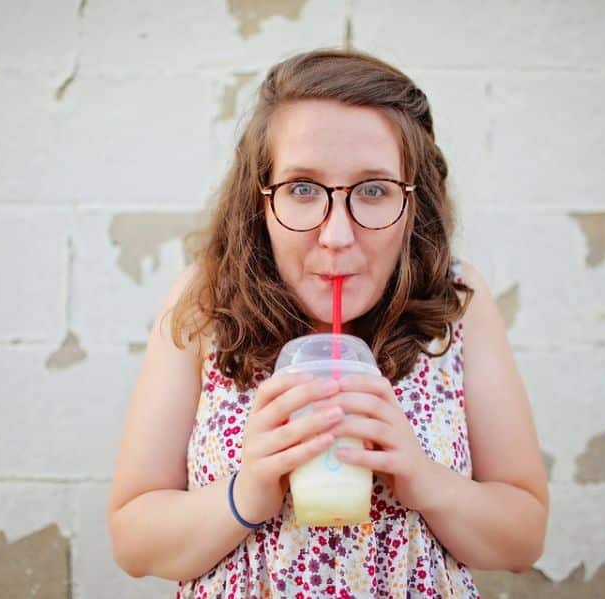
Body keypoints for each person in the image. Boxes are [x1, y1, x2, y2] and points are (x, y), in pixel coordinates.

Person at [107, 48, 548, 598]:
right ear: (259, 201)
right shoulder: (204, 303)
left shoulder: (458, 304)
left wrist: (424, 480)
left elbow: (522, 538)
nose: (337, 235)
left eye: (373, 189)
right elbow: (133, 542)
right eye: (301, 189)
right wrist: (248, 492)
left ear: (415, 203)